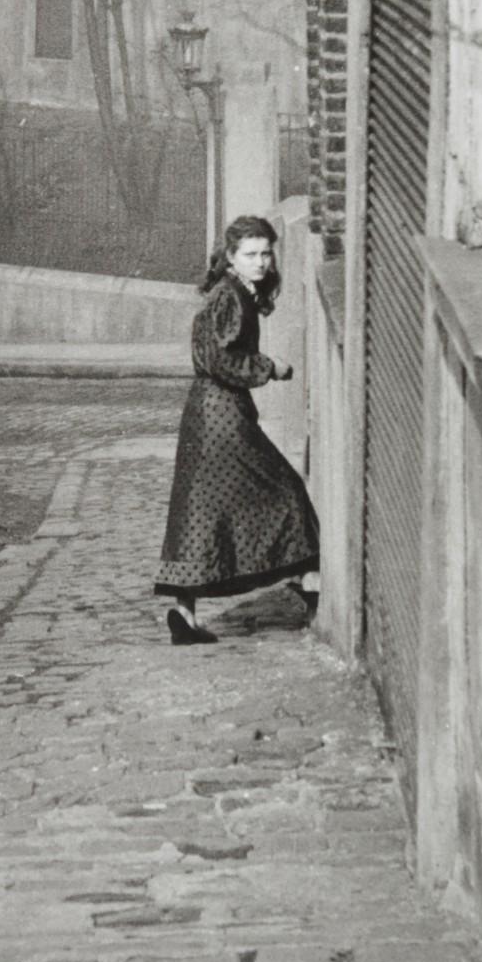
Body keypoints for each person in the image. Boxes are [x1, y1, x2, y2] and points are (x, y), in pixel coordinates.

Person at [154, 215, 320, 644]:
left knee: (203, 512)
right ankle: (309, 583)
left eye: (266, 253)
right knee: (284, 489)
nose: (261, 262)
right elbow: (218, 358)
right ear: (230, 258)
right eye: (251, 255)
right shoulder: (227, 297)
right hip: (220, 415)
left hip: (211, 413)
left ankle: (184, 614)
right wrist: (270, 367)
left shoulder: (235, 293)